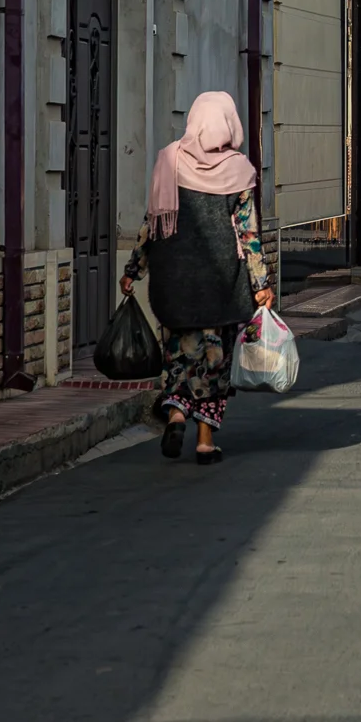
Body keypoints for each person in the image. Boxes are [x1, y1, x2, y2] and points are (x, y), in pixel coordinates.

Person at [121, 91, 272, 466]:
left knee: (178, 357)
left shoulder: (169, 161)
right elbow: (248, 234)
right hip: (222, 285)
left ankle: (175, 413)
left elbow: (151, 223)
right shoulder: (238, 170)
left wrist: (133, 270)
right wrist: (261, 283)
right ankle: (205, 442)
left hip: (174, 284)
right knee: (215, 364)